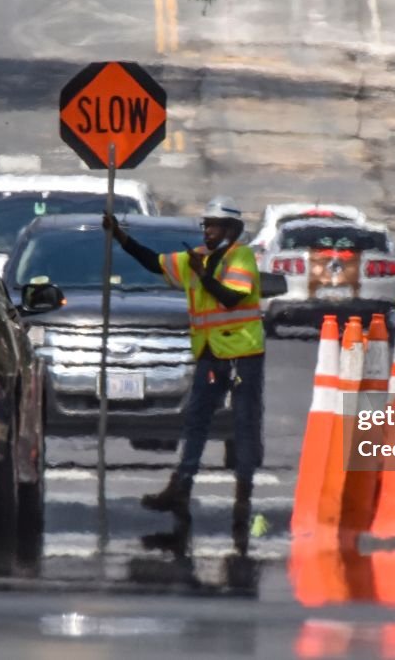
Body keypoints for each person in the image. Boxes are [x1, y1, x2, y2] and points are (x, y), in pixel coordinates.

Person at [102, 196, 264, 547]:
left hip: (242, 356)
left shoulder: (241, 257)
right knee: (196, 420)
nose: (208, 231)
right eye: (205, 225)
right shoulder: (196, 260)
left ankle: (243, 498)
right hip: (209, 354)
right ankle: (181, 488)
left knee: (243, 424)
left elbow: (232, 298)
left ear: (232, 230)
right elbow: (154, 263)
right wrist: (121, 238)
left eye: (215, 225)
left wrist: (205, 275)